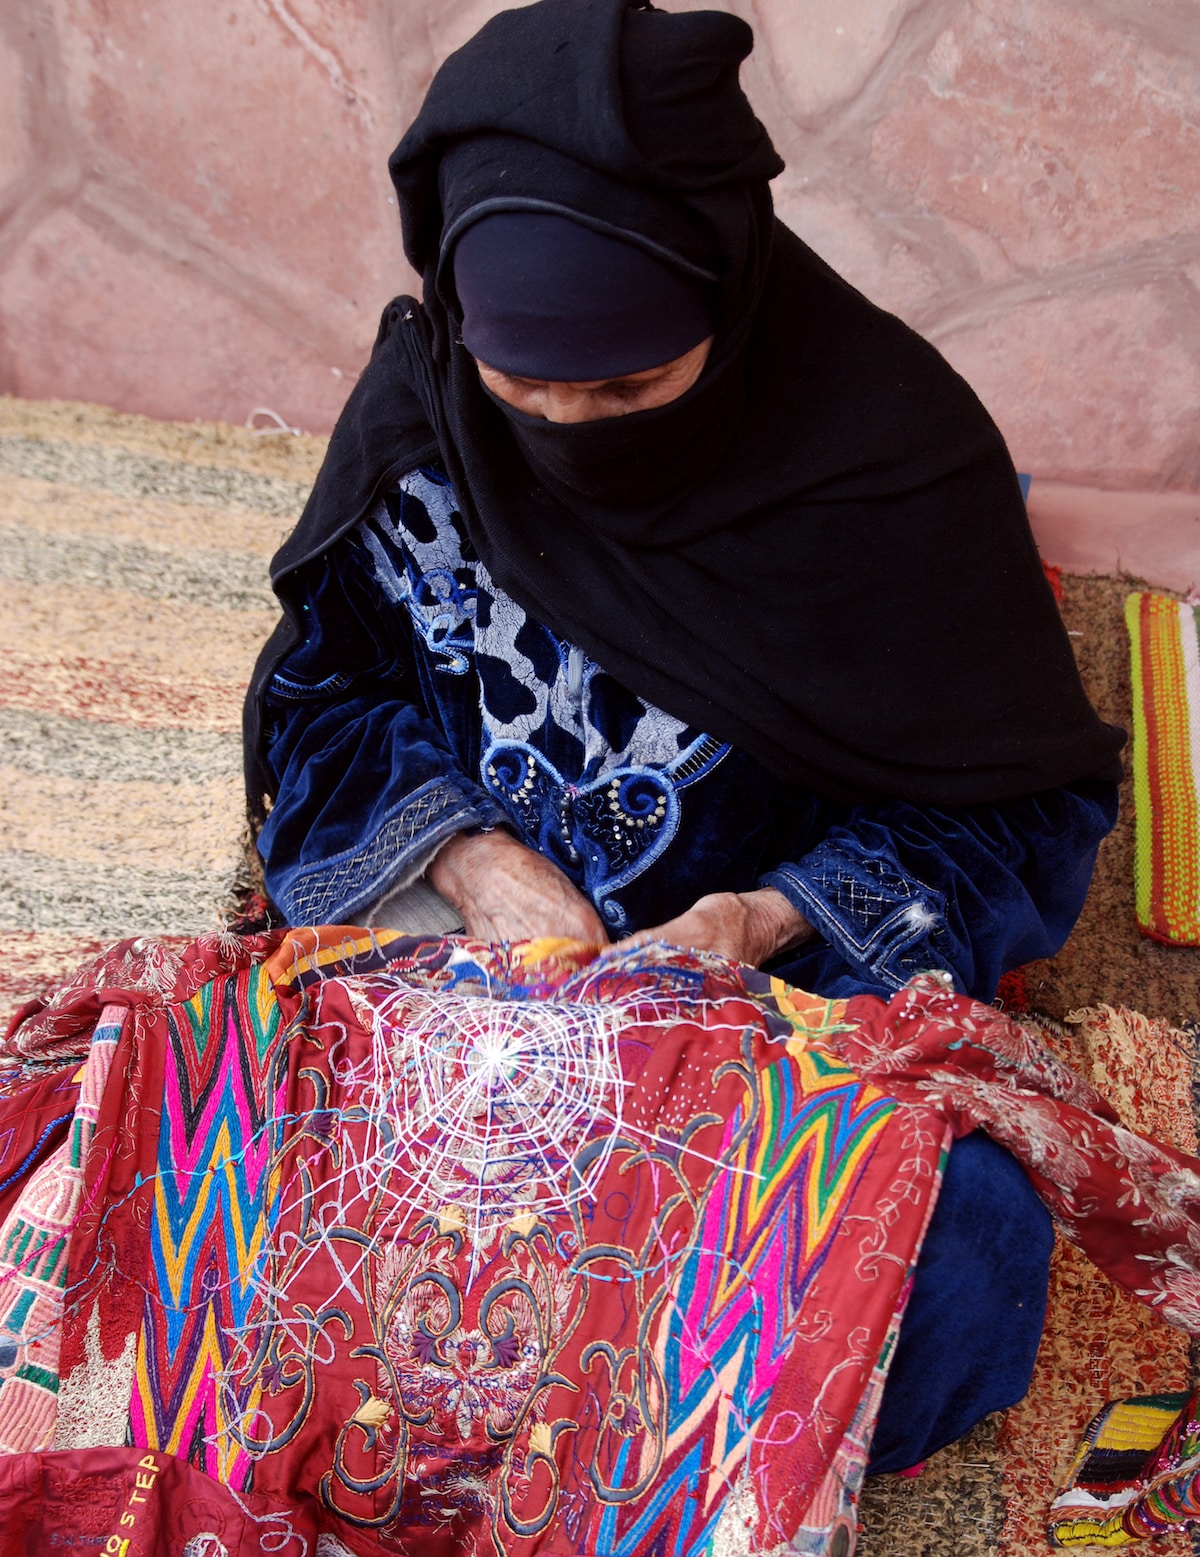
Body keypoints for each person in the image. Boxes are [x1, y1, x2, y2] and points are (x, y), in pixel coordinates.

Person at [243, 0, 1125, 1473]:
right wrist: (469, 855)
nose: (575, 428)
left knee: (934, 1279)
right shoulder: (432, 409)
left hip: (767, 1004)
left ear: (725, 298)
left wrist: (758, 916)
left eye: (637, 387)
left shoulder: (893, 473)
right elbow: (326, 705)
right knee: (195, 1178)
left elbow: (1018, 815)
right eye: (528, 389)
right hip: (472, 961)